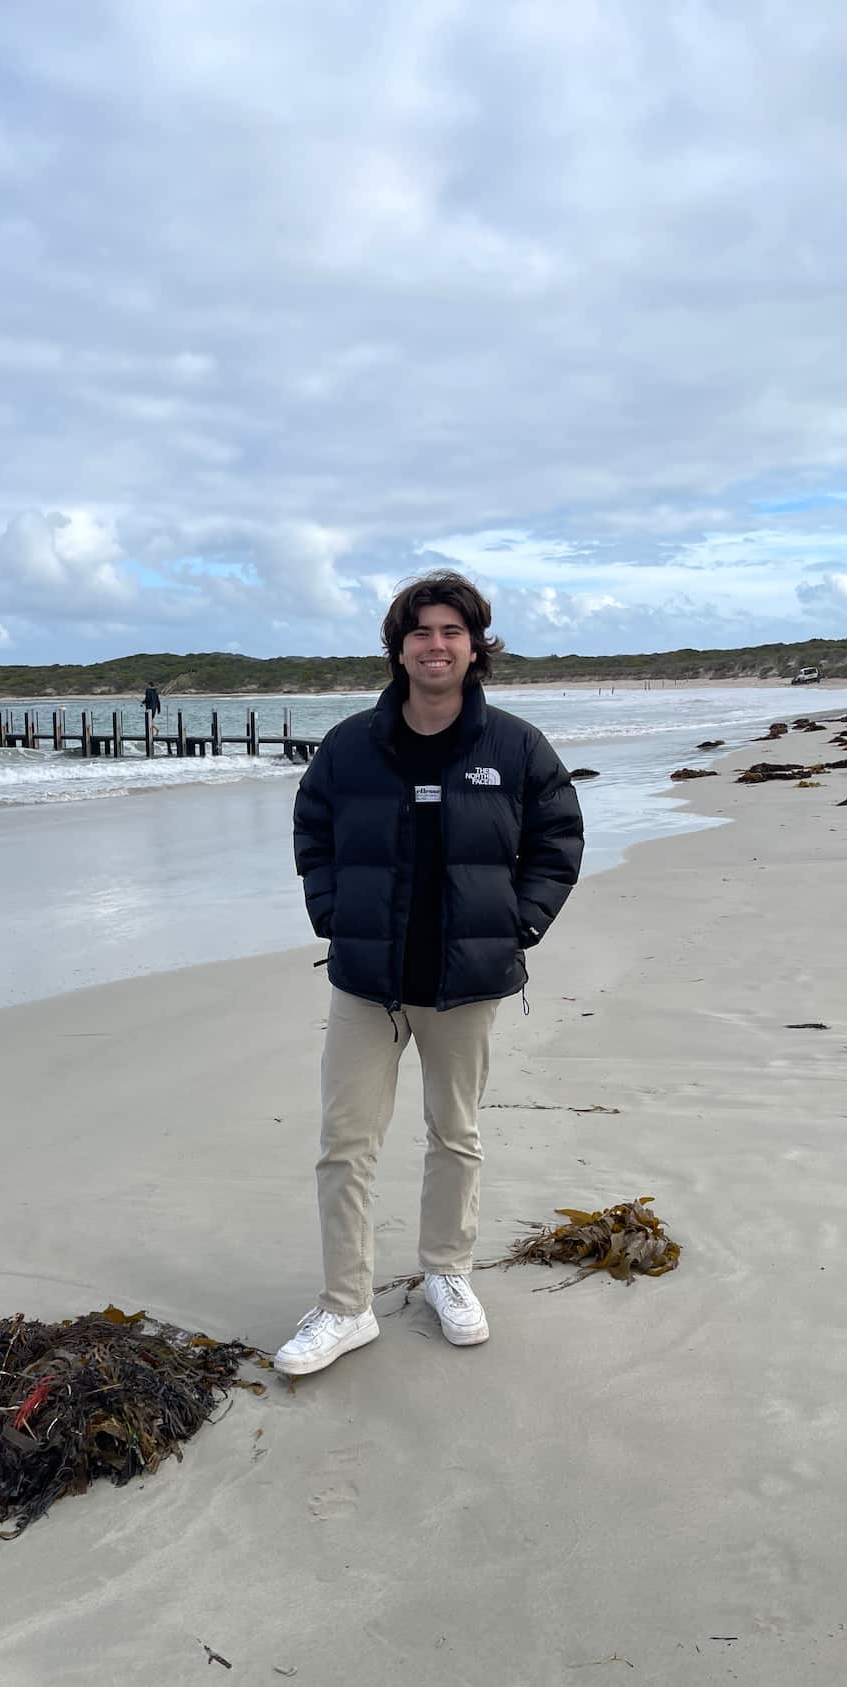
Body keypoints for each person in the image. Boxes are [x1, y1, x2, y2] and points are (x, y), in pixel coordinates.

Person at [276, 571, 584, 1376]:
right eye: (421, 632)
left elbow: (558, 836)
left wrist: (519, 923)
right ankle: (345, 1306)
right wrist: (334, 912)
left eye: (452, 630)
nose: (436, 645)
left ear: (476, 645)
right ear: (399, 647)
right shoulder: (350, 745)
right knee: (345, 1143)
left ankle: (448, 1273)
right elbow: (312, 826)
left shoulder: (513, 745)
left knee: (457, 1134)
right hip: (366, 983)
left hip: (467, 981)